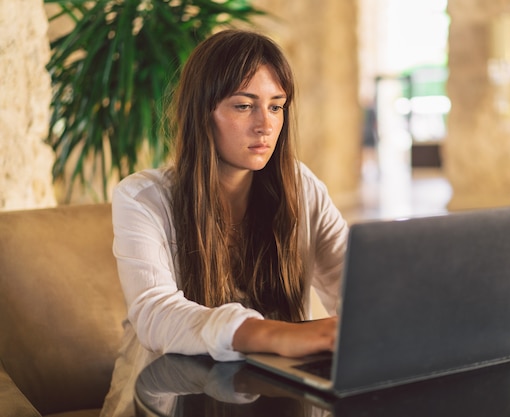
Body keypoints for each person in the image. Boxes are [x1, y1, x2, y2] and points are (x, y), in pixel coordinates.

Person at [100, 29, 348, 416]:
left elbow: (355, 285)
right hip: (170, 402)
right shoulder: (143, 197)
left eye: (276, 106)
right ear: (203, 112)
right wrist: (277, 335)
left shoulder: (301, 188)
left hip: (281, 402)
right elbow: (155, 313)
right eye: (244, 106)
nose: (265, 125)